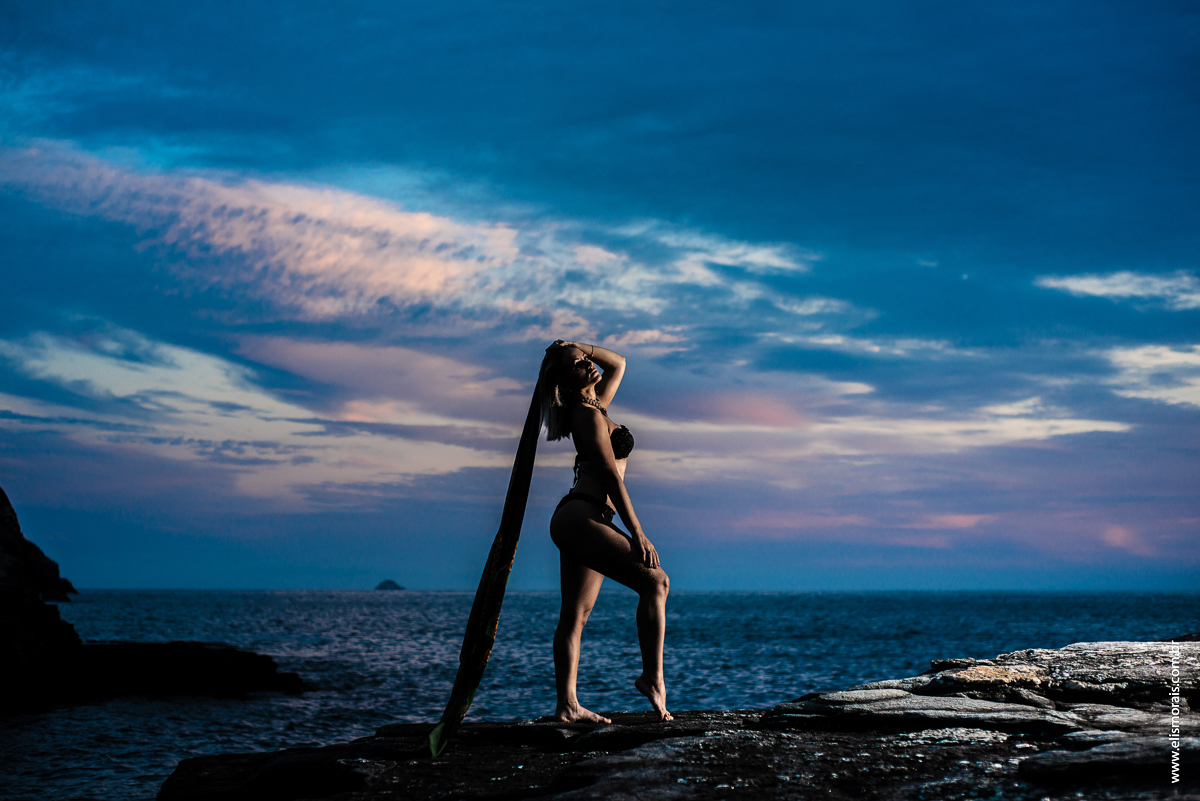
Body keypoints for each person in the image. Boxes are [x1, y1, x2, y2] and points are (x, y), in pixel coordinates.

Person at [538, 339, 672, 723]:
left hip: (587, 518)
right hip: (583, 515)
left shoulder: (598, 405)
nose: (587, 366)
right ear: (565, 382)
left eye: (585, 360)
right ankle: (652, 678)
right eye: (578, 365)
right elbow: (612, 477)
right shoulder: (585, 414)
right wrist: (639, 533)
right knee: (656, 582)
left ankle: (568, 707)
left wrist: (579, 345)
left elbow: (621, 363)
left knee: (575, 615)